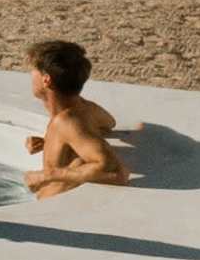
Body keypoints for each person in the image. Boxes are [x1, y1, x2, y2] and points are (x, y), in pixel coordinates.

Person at [21, 37, 129, 198]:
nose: (30, 76)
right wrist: (54, 144)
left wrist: (46, 175)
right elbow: (109, 123)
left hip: (52, 212)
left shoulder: (66, 122)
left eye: (33, 71)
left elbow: (116, 172)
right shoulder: (85, 108)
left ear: (46, 80)